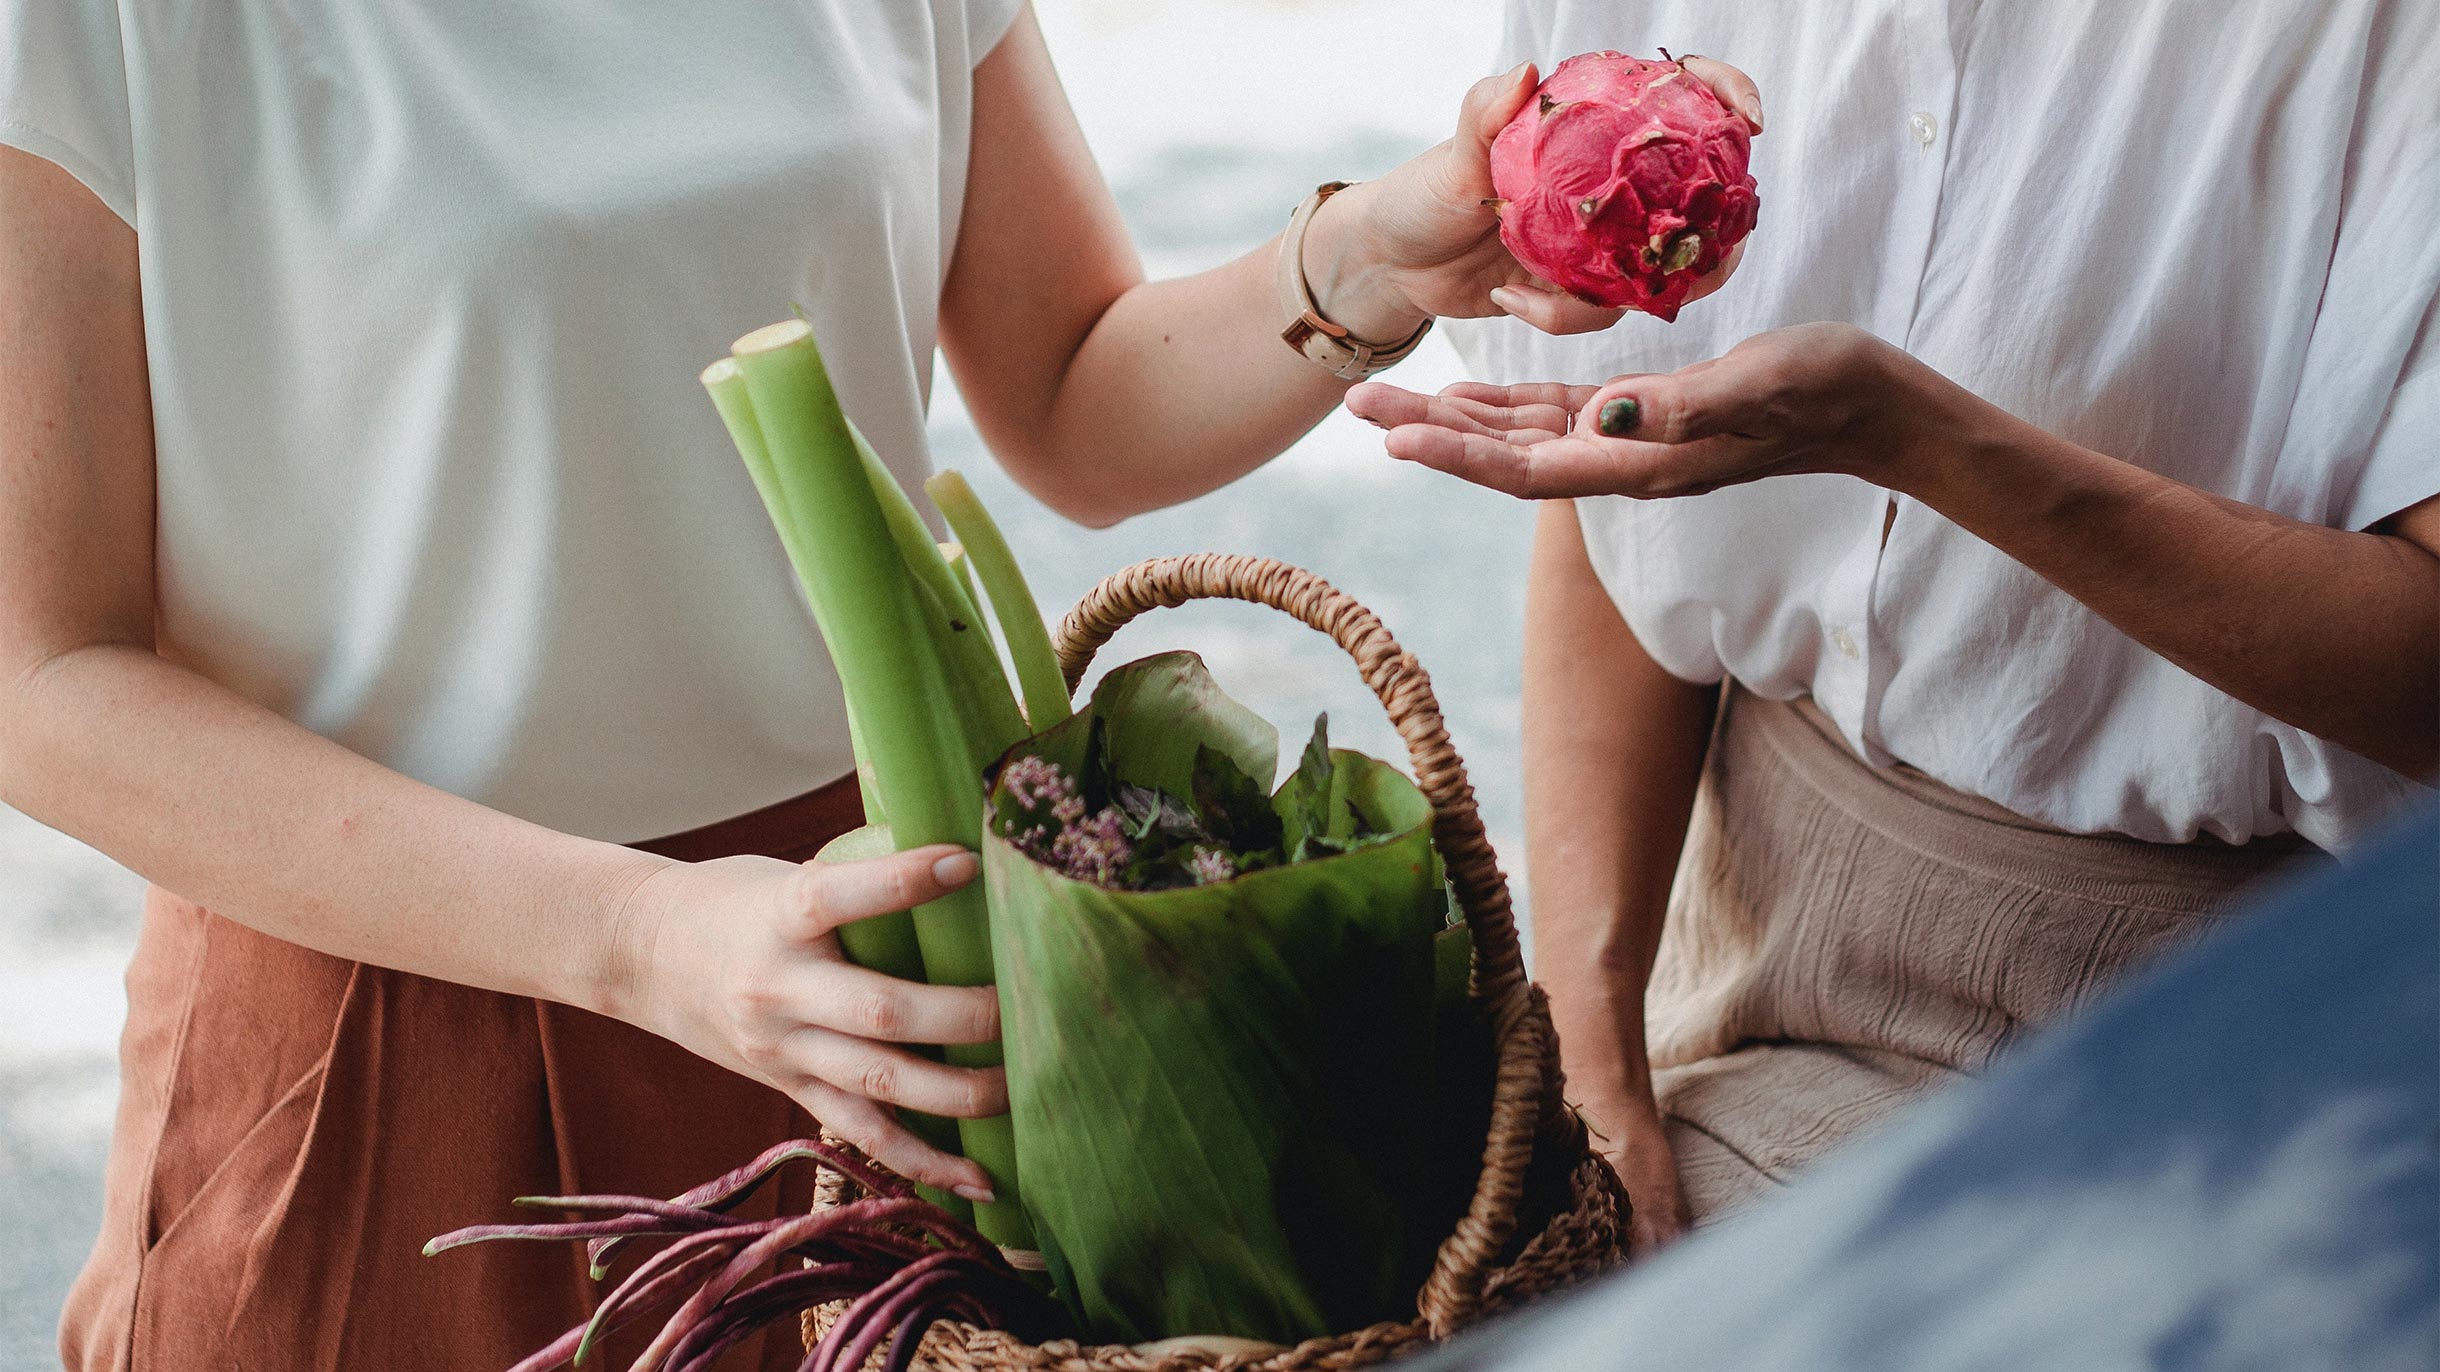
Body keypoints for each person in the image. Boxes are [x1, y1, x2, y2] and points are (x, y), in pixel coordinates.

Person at [0, 4, 1755, 1368]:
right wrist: (637, 937)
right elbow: (38, 671)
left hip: (889, 989)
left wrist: (1359, 265)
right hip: (390, 1003)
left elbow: (1070, 390)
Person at [1349, 0, 2438, 1257]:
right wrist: (1593, 1052)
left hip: (2246, 1039)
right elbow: (1608, 497)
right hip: (1748, 955)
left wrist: (1919, 444)